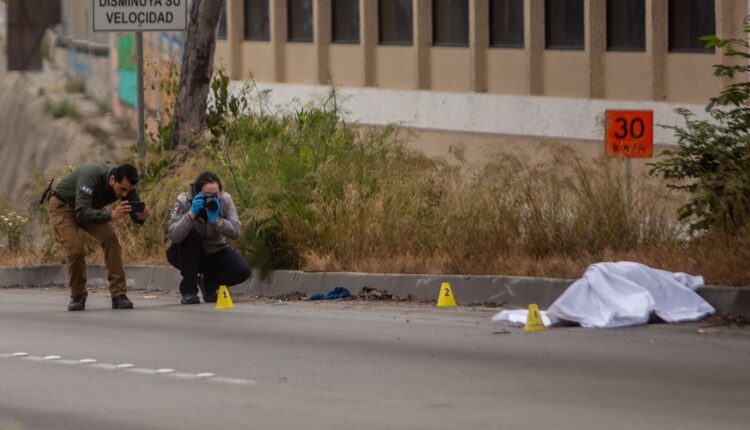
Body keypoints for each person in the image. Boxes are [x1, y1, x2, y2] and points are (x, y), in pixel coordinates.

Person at [48, 163, 150, 311]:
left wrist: (141, 216)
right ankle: (78, 295)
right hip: (64, 207)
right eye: (122, 190)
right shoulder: (90, 176)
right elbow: (81, 212)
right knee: (76, 250)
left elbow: (135, 215)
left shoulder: (126, 185)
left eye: (129, 191)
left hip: (90, 208)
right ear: (112, 179)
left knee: (111, 239)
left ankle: (119, 294)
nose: (124, 195)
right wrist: (110, 215)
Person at [167, 171, 251, 304]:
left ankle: (208, 284)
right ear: (196, 192)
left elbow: (237, 231)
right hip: (186, 254)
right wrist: (191, 214)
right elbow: (173, 235)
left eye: (216, 194)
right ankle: (189, 291)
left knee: (243, 270)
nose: (212, 197)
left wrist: (217, 221)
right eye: (208, 194)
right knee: (191, 237)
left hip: (215, 251)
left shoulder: (225, 199)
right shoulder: (183, 200)